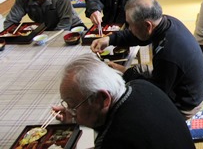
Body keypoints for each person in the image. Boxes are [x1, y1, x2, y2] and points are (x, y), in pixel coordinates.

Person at [91, 0, 203, 119]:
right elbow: (137, 36)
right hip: (189, 82)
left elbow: (157, 93)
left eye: (130, 24)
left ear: (147, 25)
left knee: (125, 106)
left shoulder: (167, 54)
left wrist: (124, 71)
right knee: (136, 71)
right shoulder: (166, 21)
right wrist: (109, 39)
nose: (129, 28)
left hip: (185, 102)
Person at [53, 54, 195, 149]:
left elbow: (116, 133)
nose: (71, 111)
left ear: (103, 99)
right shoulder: (140, 85)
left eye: (73, 106)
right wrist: (74, 116)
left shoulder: (116, 140)